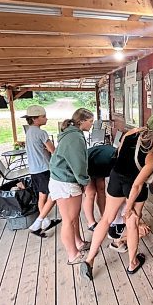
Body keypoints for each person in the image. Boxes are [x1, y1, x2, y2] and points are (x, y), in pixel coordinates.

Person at [80, 114, 153, 280]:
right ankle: (132, 263)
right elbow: (137, 185)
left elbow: (119, 152)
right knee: (132, 222)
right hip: (133, 185)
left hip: (116, 177)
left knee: (106, 219)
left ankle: (89, 260)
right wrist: (128, 208)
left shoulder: (130, 134)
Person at [49, 108, 94, 265]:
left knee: (73, 218)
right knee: (68, 220)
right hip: (65, 182)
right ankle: (72, 255)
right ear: (82, 121)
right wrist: (84, 181)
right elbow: (78, 163)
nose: (92, 124)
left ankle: (79, 243)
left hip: (61, 179)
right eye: (90, 121)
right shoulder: (75, 137)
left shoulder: (72, 133)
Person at [22, 105, 61, 236]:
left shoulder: (29, 132)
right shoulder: (41, 133)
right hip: (44, 168)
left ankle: (45, 221)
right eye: (43, 116)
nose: (46, 118)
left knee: (41, 196)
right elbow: (53, 151)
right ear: (34, 119)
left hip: (34, 169)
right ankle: (38, 223)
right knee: (53, 194)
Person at [84, 144, 117, 231]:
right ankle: (91, 223)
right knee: (91, 193)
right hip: (86, 164)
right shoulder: (112, 158)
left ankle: (104, 216)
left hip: (100, 165)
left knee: (101, 189)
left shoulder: (117, 159)